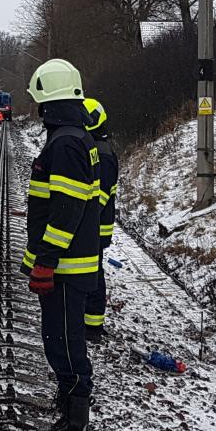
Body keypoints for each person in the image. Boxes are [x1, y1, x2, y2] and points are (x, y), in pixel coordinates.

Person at [23, 59, 101, 431]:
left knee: (65, 344)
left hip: (66, 269)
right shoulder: (72, 137)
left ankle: (75, 430)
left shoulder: (66, 143)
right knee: (61, 341)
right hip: (68, 266)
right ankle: (69, 414)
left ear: (47, 100)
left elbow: (67, 209)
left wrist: (46, 259)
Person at [82, 98, 118, 345]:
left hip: (96, 226)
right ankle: (89, 321)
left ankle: (93, 326)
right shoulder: (98, 147)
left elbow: (101, 195)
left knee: (93, 273)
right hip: (94, 225)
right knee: (91, 271)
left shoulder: (103, 154)